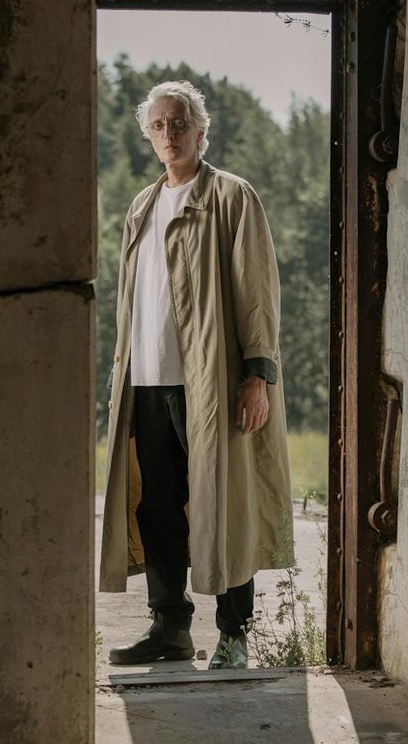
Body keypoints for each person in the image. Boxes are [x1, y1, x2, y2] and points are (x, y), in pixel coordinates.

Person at [99, 79, 295, 670]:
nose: (169, 134)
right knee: (155, 507)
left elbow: (256, 294)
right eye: (158, 125)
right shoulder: (142, 204)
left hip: (210, 382)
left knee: (224, 503)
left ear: (201, 131)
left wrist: (257, 373)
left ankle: (234, 634)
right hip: (147, 380)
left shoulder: (233, 198)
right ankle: (170, 629)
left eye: (179, 122)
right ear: (148, 135)